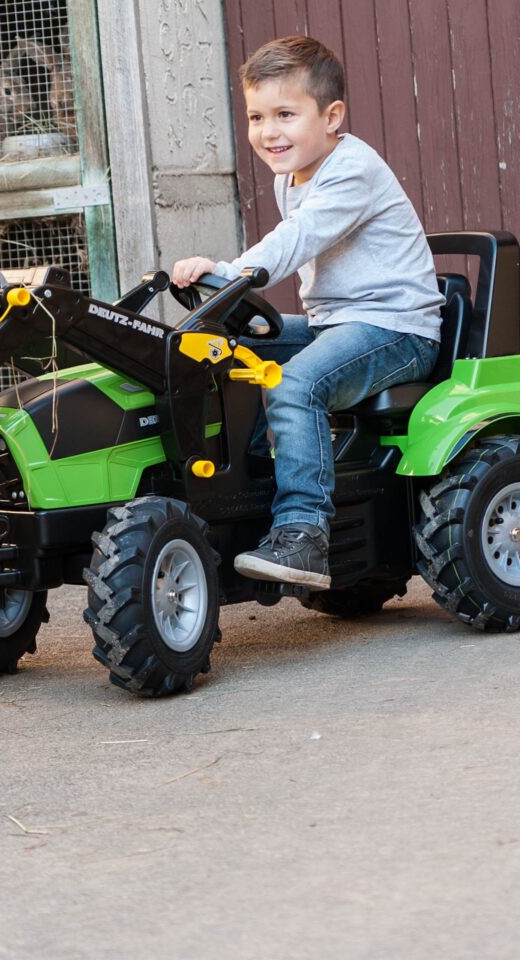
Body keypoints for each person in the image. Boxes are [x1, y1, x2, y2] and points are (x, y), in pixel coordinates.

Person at [172, 34, 444, 590]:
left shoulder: (352, 169)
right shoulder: (290, 175)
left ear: (332, 116)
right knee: (222, 351)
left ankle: (304, 533)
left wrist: (231, 272)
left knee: (294, 383)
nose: (268, 132)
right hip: (334, 325)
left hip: (395, 328)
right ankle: (248, 490)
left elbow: (298, 238)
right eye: (256, 117)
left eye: (286, 115)